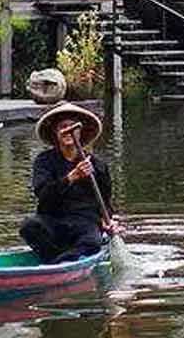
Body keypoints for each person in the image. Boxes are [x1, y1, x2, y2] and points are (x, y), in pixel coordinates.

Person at [20, 103, 120, 264]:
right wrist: (71, 177)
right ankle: (61, 260)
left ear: (81, 132)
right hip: (54, 220)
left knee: (92, 242)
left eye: (74, 127)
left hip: (84, 223)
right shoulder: (44, 161)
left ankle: (61, 261)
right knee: (29, 227)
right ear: (56, 132)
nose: (68, 131)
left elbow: (105, 201)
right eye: (63, 127)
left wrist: (107, 221)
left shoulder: (98, 165)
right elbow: (43, 195)